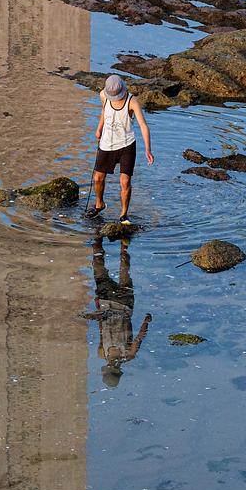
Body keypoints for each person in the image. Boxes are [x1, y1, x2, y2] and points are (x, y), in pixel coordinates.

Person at [88, 74, 153, 223]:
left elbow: (143, 125)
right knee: (98, 178)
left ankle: (123, 214)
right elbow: (104, 111)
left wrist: (148, 149)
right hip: (106, 144)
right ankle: (99, 204)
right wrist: (99, 129)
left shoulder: (132, 101)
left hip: (127, 145)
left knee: (125, 182)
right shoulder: (103, 96)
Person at [93, 235, 151, 388]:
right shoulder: (127, 354)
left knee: (106, 268)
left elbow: (101, 333)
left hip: (110, 304)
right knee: (121, 268)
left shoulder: (103, 353)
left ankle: (99, 238)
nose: (112, 364)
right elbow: (138, 338)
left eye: (110, 367)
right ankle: (119, 242)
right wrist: (146, 322)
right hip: (121, 304)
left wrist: (98, 311)